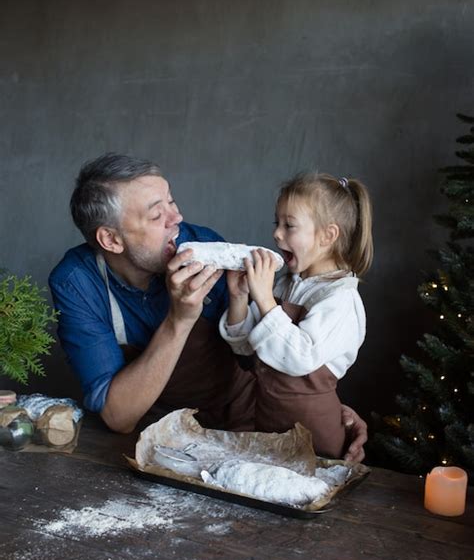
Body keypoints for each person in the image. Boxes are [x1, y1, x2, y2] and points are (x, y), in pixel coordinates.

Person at [49, 154, 368, 461]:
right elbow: (119, 417)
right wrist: (180, 319)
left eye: (171, 202)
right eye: (157, 215)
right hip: (168, 442)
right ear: (111, 239)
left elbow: (271, 351)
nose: (177, 219)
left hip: (250, 431)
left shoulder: (205, 246)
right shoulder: (78, 283)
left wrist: (323, 408)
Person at [219, 173, 373, 458]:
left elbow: (299, 358)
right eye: (276, 223)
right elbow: (247, 349)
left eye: (289, 225)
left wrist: (265, 300)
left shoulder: (340, 299)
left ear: (328, 236)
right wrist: (239, 297)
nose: (277, 234)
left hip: (314, 438)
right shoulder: (286, 284)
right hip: (268, 423)